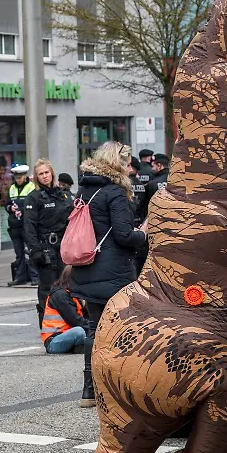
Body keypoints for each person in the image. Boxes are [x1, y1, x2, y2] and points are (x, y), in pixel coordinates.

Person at [71, 143, 147, 408]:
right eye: (126, 163)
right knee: (122, 329)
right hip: (113, 272)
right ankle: (119, 388)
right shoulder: (114, 193)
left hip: (87, 266)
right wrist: (144, 234)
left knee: (94, 328)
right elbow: (124, 236)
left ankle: (89, 391)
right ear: (117, 163)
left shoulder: (84, 188)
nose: (129, 168)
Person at [23, 158, 73, 322]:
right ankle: (48, 326)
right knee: (47, 289)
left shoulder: (63, 195)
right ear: (36, 177)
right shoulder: (34, 197)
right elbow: (29, 227)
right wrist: (35, 250)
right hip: (45, 249)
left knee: (67, 287)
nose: (45, 176)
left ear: (52, 173)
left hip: (64, 248)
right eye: (41, 174)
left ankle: (67, 322)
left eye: (46, 172)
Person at [40, 266, 87, 354]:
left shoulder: (71, 294)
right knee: (79, 332)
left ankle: (78, 347)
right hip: (53, 341)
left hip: (64, 337)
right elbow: (75, 320)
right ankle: (79, 346)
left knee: (83, 332)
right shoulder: (60, 295)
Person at [5, 164, 36, 286]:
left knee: (32, 251)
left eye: (20, 177)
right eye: (16, 177)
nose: (18, 179)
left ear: (25, 176)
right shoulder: (12, 188)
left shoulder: (31, 187)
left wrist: (22, 210)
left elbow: (32, 205)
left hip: (26, 224)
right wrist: (10, 208)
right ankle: (20, 277)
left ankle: (35, 277)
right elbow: (7, 203)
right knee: (19, 254)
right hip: (14, 225)